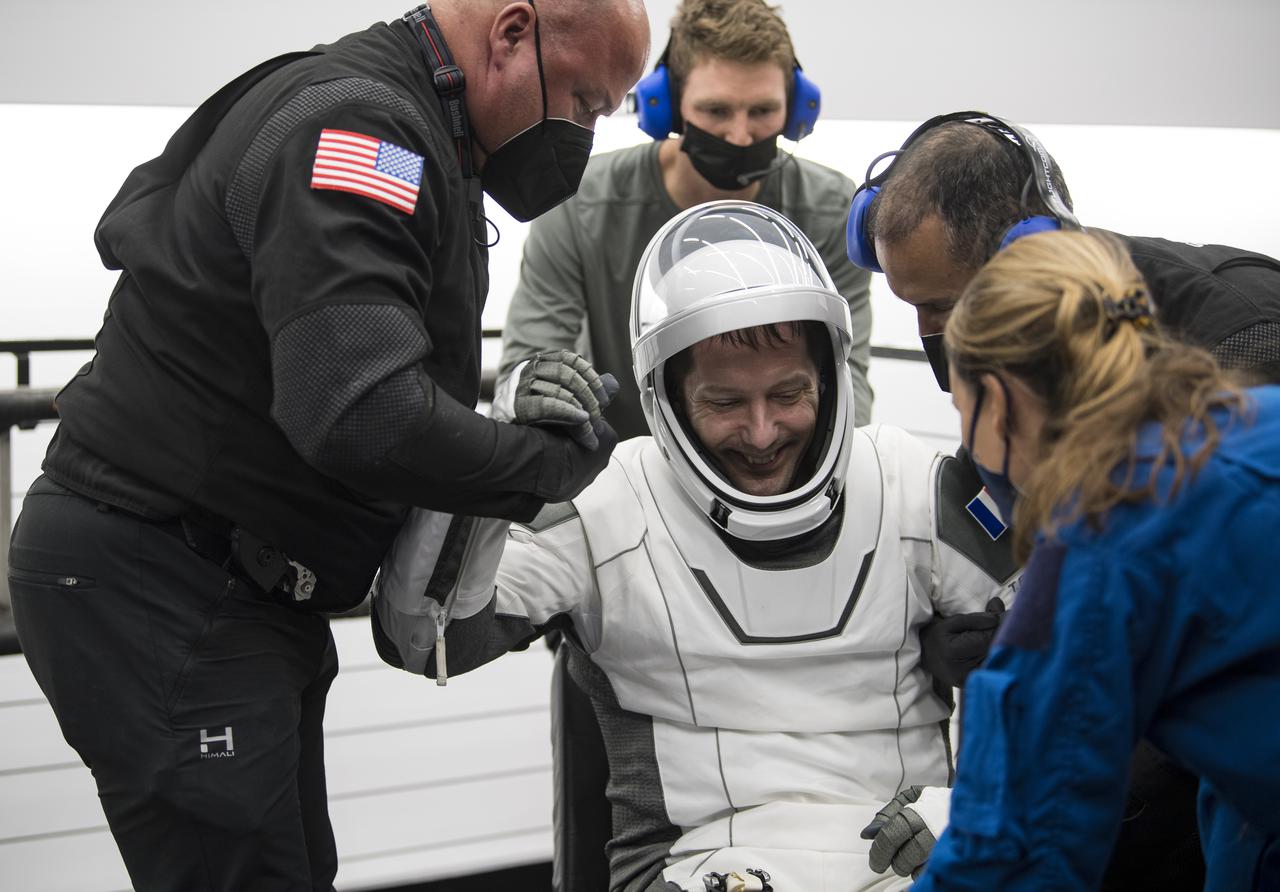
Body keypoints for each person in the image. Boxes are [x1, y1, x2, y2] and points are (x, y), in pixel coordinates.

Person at [5, 2, 649, 889]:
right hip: (165, 579)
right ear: (511, 34)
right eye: (584, 100)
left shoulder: (424, 130)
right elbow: (361, 409)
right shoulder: (363, 131)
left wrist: (509, 415)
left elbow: (379, 359)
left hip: (233, 587)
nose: (583, 132)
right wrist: (548, 471)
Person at [374, 202, 1018, 892]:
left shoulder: (915, 484)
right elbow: (423, 637)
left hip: (919, 858)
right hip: (704, 865)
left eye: (789, 393)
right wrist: (499, 456)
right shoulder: (607, 506)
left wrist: (968, 812)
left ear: (829, 377)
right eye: (725, 403)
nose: (764, 432)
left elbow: (1067, 674)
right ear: (667, 398)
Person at [843, 110, 1280, 890]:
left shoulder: (1105, 548)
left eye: (964, 400)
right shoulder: (1236, 419)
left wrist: (1036, 653)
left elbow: (1012, 856)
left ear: (1007, 400)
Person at [495, 0, 874, 439]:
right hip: (627, 470)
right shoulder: (581, 205)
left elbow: (848, 377)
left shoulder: (831, 210)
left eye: (762, 111)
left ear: (795, 110)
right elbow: (532, 368)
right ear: (668, 108)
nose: (740, 135)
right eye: (716, 111)